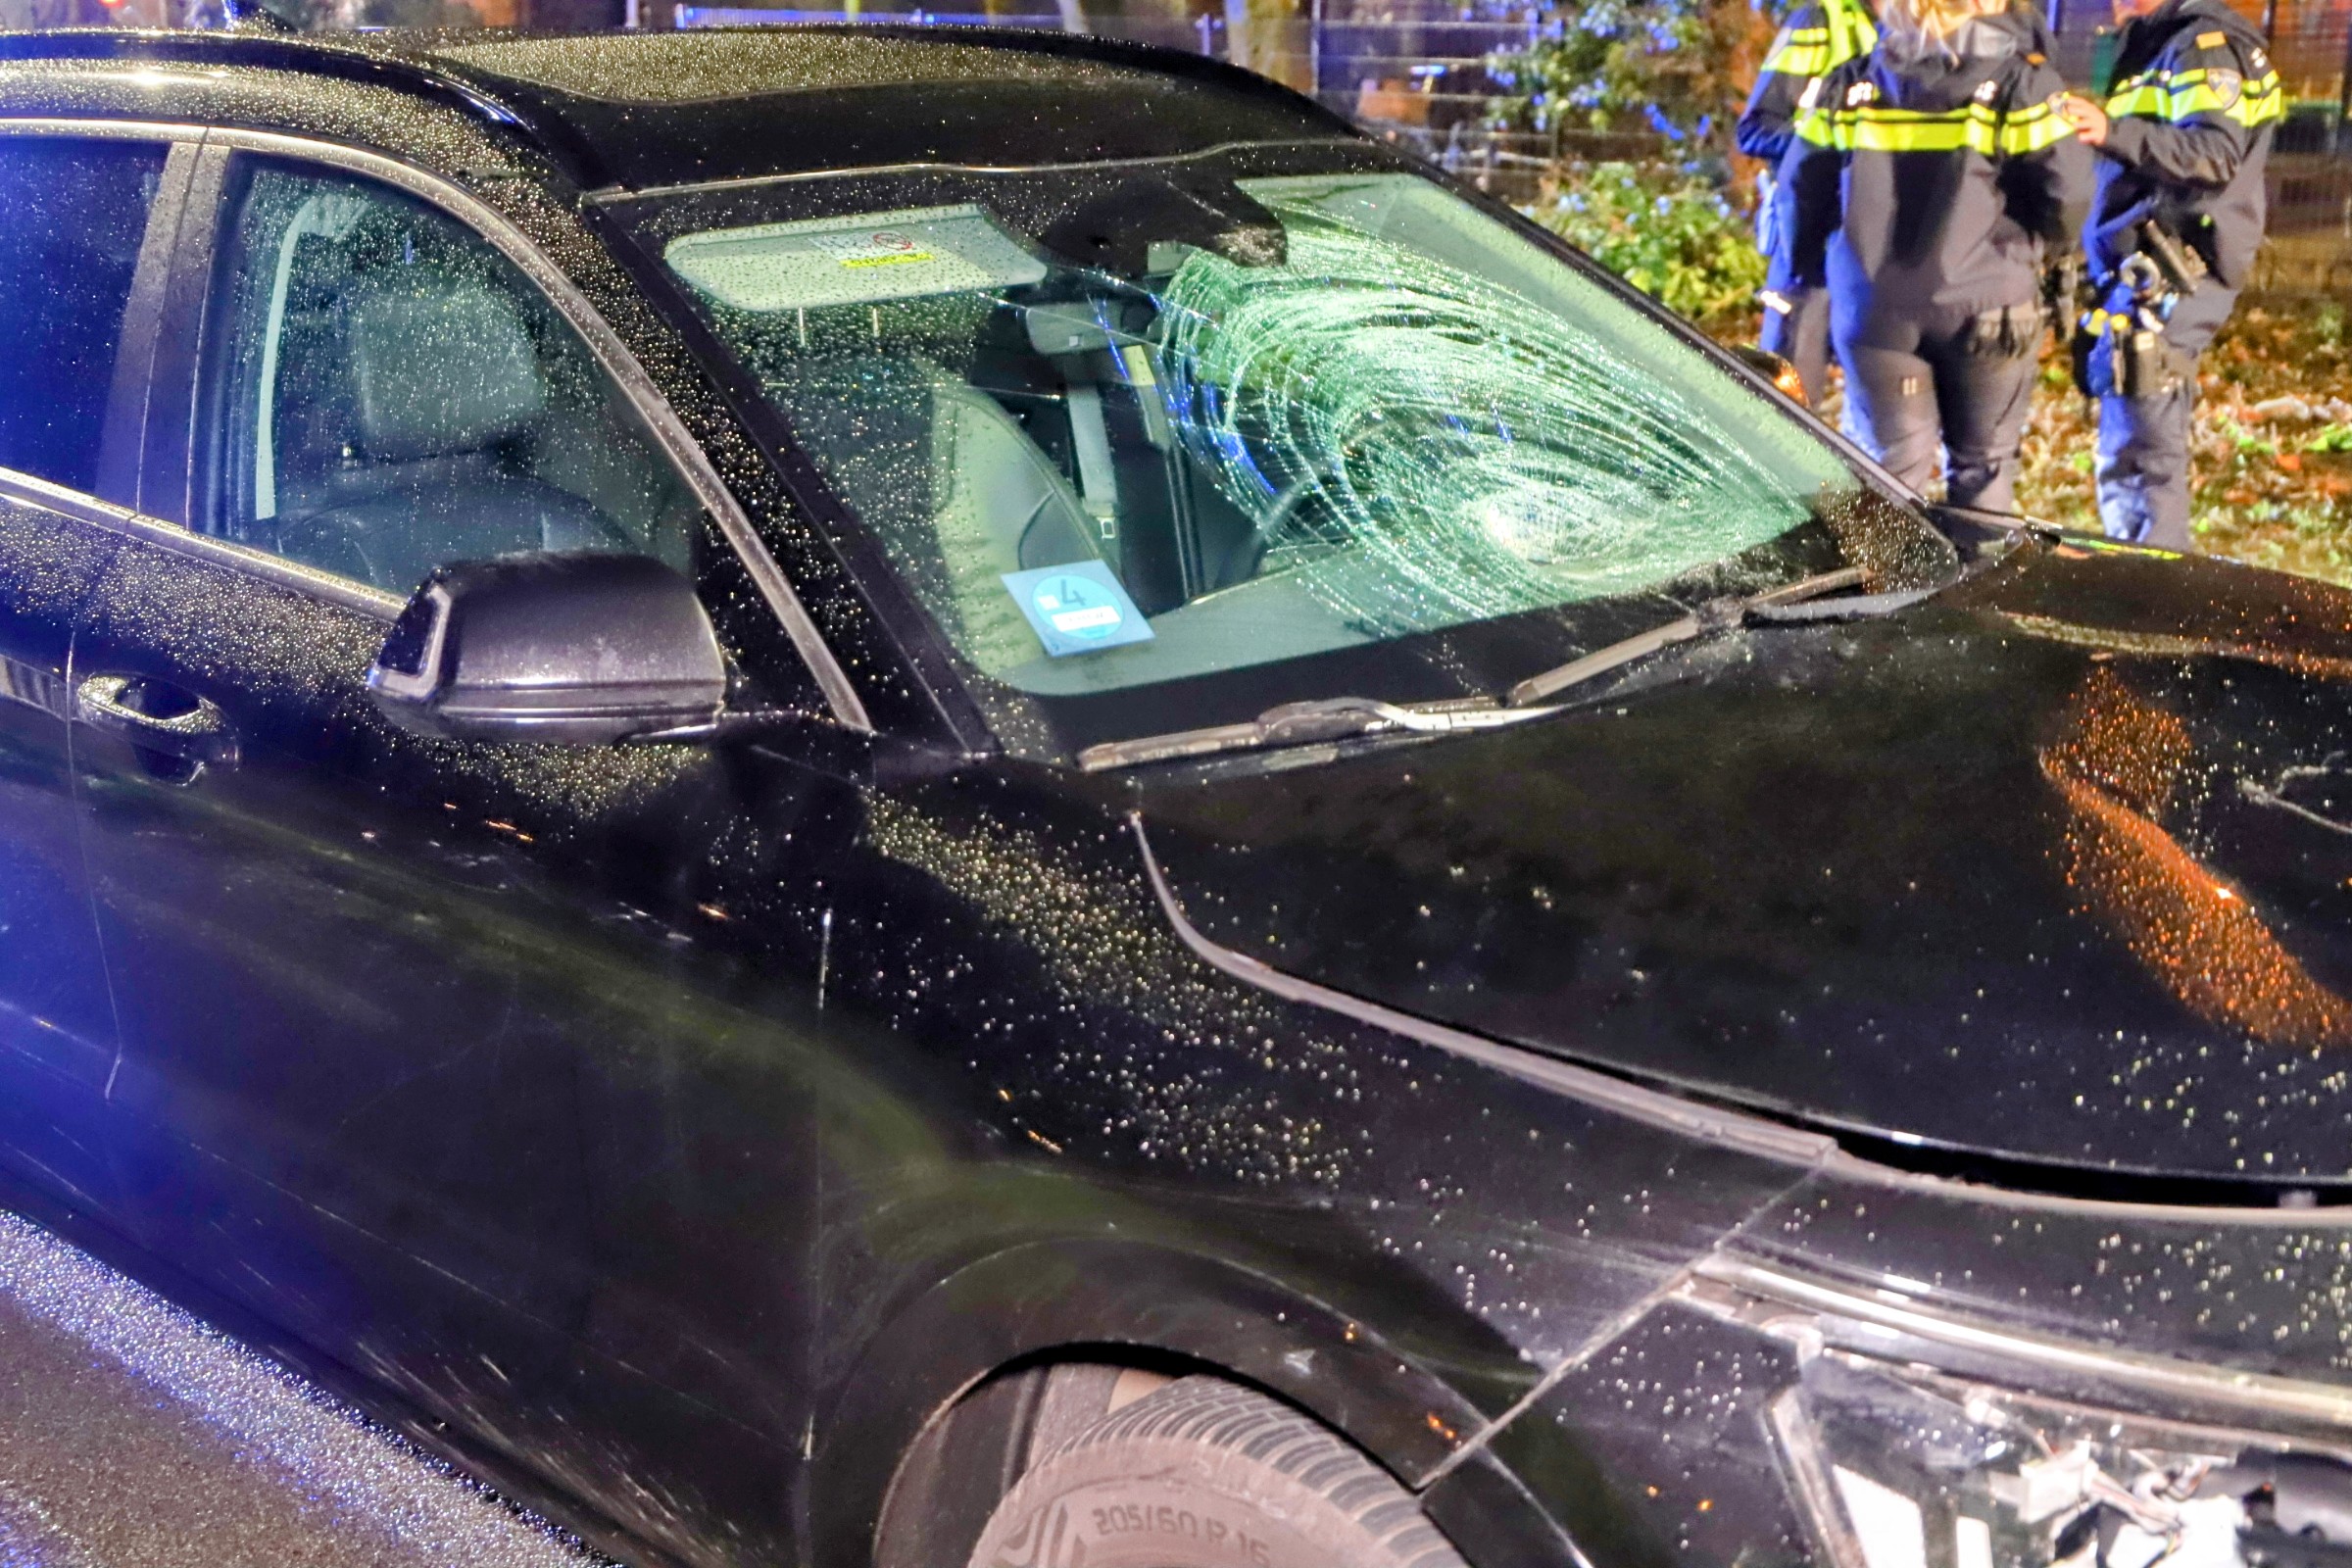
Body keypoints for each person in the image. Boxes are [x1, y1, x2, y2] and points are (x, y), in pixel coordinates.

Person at [1784, 0, 2092, 512]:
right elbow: (2070, 192)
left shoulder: (1849, 82)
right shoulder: (2022, 83)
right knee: (1984, 472)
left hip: (1875, 311)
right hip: (1989, 309)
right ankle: (1977, 588)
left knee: (1885, 473)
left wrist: (1819, 272)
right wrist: (2033, 250)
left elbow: (1802, 191)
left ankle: (1879, 587)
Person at [2055, 0, 2283, 549]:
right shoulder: (2159, 42)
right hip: (2145, 274)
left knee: (2144, 459)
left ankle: (2157, 602)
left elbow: (2214, 154)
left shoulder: (2204, 47)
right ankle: (2144, 581)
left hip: (2176, 274)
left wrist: (2112, 130)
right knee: (2132, 449)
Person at [1738, 0, 1880, 406]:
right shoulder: (1820, 21)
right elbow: (1756, 128)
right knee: (1786, 406)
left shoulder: (1925, 33)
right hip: (1810, 241)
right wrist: (1823, 150)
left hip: (1877, 253)